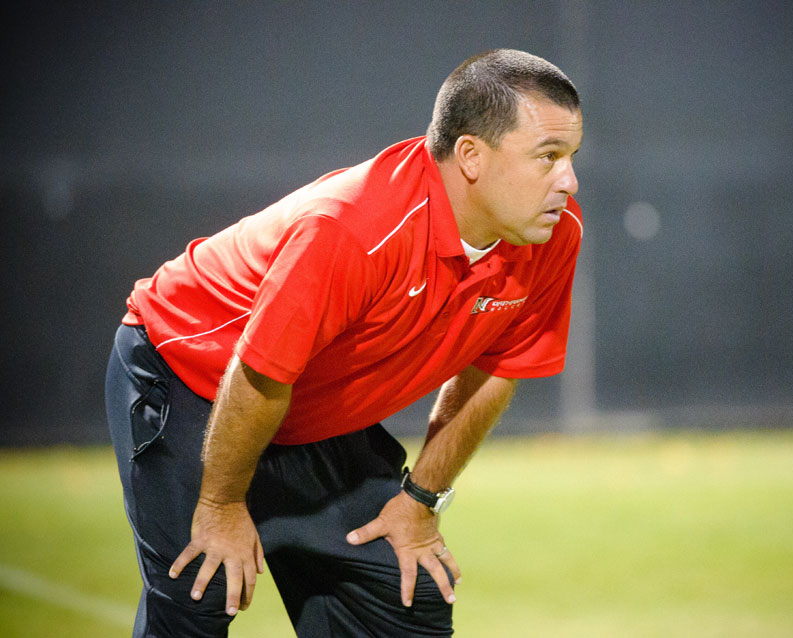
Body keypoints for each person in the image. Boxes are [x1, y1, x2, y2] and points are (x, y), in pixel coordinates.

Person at [105, 48, 583, 637]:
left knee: (407, 597)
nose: (569, 180)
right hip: (191, 375)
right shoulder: (354, 228)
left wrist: (419, 502)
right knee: (200, 593)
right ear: (471, 156)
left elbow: (498, 368)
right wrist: (224, 505)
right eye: (548, 157)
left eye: (571, 157)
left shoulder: (552, 236)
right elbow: (258, 374)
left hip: (302, 398)